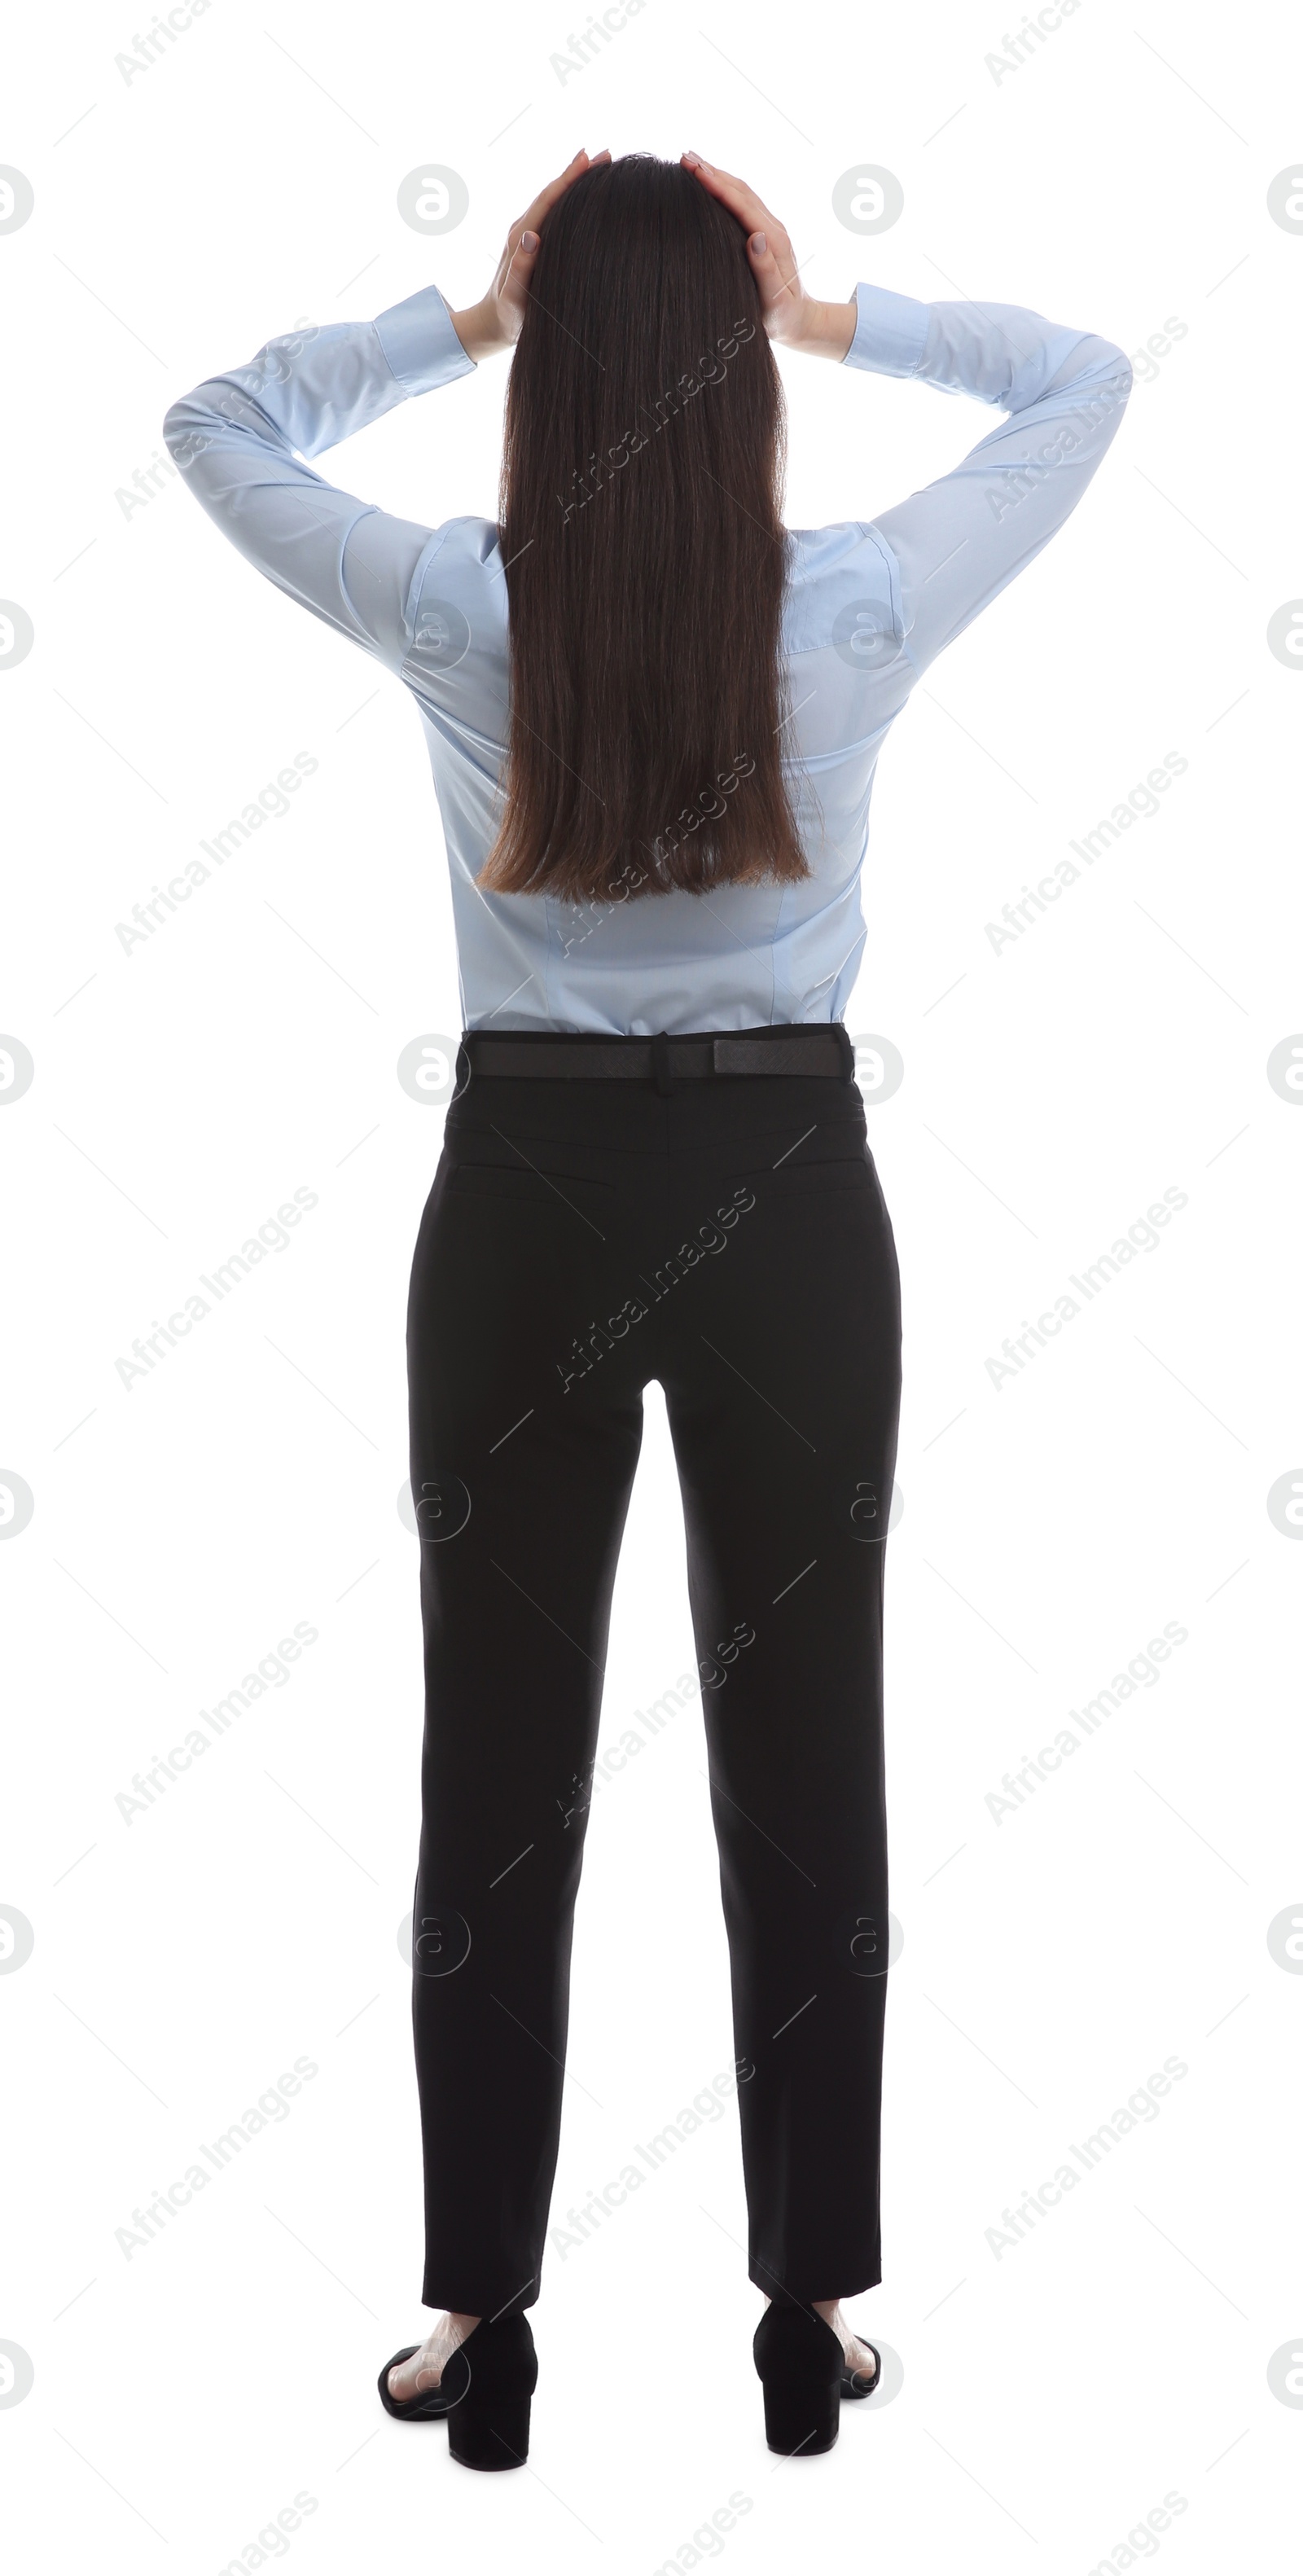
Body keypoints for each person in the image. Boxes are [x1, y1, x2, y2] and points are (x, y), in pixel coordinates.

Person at [164, 145, 1132, 2466]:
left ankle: (479, 2331)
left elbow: (214, 424)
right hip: (791, 1193)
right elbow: (1087, 383)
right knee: (810, 1756)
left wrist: (458, 326)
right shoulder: (859, 605)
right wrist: (831, 313)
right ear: (728, 380)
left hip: (523, 1198)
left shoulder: (451, 603)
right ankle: (809, 2317)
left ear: (561, 374)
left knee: (493, 1770)